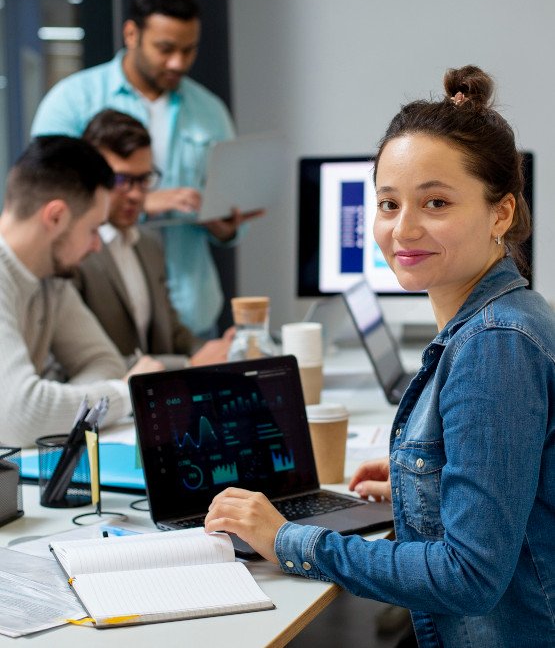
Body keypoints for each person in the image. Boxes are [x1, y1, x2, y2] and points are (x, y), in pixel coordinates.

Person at [205, 66, 555, 647]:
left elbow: (469, 577)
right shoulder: (501, 318)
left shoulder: (495, 344)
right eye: (388, 204)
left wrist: (285, 538)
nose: (403, 229)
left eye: (435, 202)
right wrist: (434, 486)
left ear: (502, 213)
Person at [31, 0, 263, 337]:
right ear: (131, 34)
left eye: (189, 50)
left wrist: (226, 225)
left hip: (192, 311)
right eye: (165, 48)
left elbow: (227, 207)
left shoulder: (210, 111)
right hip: (101, 313)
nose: (178, 62)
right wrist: (143, 201)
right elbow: (47, 199)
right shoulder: (72, 101)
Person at [0, 135, 163, 448]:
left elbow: (105, 364)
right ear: (56, 216)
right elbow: (21, 415)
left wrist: (56, 406)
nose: (97, 245)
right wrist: (123, 394)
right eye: (92, 229)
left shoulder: (50, 279)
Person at [75, 109, 233, 369]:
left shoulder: (149, 243)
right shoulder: (76, 254)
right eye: (122, 180)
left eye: (144, 179)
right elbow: (82, 364)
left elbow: (171, 332)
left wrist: (218, 350)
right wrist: (186, 364)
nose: (136, 195)